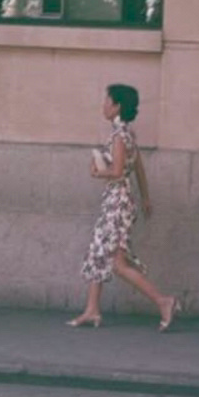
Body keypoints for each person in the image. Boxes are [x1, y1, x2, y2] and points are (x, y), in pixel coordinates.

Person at [67, 84, 180, 331]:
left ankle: (163, 301)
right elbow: (138, 168)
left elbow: (117, 171)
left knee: (117, 263)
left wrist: (98, 172)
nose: (103, 105)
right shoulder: (127, 133)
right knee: (98, 251)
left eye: (107, 101)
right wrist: (146, 197)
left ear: (117, 106)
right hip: (120, 201)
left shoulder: (119, 135)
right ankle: (92, 310)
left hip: (117, 202)